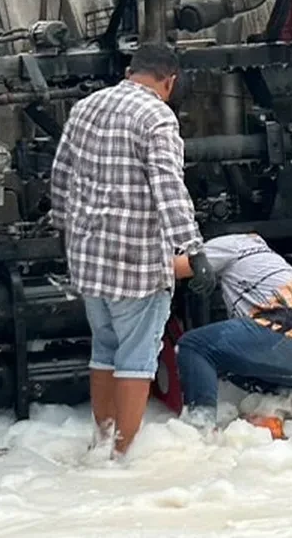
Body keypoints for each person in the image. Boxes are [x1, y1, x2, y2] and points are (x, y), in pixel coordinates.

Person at [49, 44, 209, 459]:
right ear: (170, 81)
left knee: (104, 351)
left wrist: (66, 231)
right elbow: (169, 189)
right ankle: (124, 455)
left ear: (129, 70)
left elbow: (61, 175)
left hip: (89, 261)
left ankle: (101, 441)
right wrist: (192, 248)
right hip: (136, 264)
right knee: (136, 359)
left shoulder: (86, 107)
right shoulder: (156, 116)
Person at [174, 233, 292, 428]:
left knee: (195, 346)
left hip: (285, 331)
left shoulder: (229, 244)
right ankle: (273, 414)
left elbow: (179, 267)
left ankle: (199, 428)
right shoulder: (269, 258)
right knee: (229, 360)